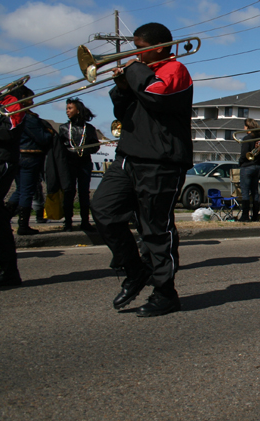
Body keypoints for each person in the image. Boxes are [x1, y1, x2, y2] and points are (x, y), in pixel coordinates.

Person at [91, 22, 193, 317]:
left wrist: (134, 71)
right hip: (128, 156)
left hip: (161, 162)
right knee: (103, 210)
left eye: (139, 49)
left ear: (158, 48)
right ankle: (135, 270)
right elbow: (124, 113)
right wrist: (122, 88)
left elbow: (156, 96)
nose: (135, 55)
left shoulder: (175, 69)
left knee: (155, 229)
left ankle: (165, 293)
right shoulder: (142, 72)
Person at [6, 91, 54, 236]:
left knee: (20, 190)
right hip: (30, 157)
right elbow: (42, 138)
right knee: (27, 191)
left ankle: (4, 218)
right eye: (30, 98)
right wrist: (49, 132)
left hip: (18, 155)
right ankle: (23, 225)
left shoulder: (12, 115)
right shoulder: (28, 117)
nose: (32, 101)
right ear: (23, 98)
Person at [0, 74, 26, 288]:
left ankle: (8, 271)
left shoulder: (10, 101)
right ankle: (8, 271)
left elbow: (9, 132)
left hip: (1, 161)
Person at [59, 97, 99, 232]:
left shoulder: (89, 128)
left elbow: (96, 146)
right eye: (66, 109)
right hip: (69, 164)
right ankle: (68, 222)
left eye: (70, 108)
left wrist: (84, 150)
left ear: (78, 110)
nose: (67, 111)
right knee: (69, 191)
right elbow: (60, 147)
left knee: (84, 192)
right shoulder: (64, 128)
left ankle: (85, 222)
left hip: (84, 163)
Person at [238, 118, 260, 222]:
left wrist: (240, 162)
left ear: (247, 127)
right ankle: (255, 215)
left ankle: (245, 215)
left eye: (245, 126)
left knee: (245, 192)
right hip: (257, 166)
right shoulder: (259, 138)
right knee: (255, 192)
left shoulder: (247, 138)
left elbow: (244, 154)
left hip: (247, 166)